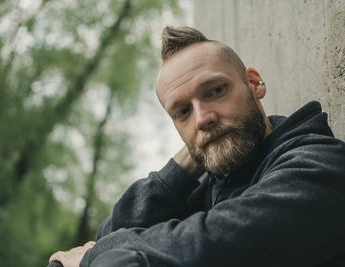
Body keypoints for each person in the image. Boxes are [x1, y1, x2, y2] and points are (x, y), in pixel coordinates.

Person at [49, 26, 345, 267]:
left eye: (215, 91)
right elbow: (107, 236)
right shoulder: (206, 186)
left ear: (254, 84)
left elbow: (217, 245)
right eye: (183, 112)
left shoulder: (320, 164)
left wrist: (92, 259)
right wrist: (181, 168)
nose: (203, 118)